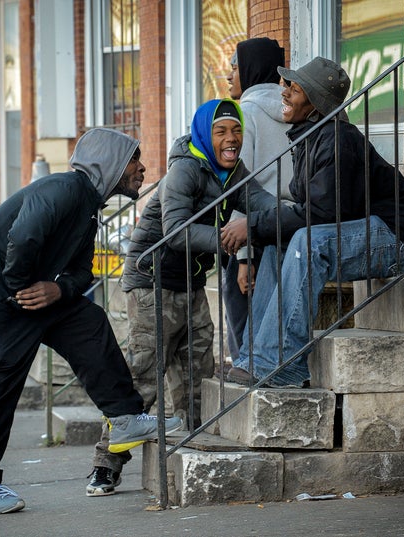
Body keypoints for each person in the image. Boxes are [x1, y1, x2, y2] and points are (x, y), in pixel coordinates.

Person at [0, 128, 182, 515]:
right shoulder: (63, 189)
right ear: (111, 164)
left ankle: (123, 416)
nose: (142, 168)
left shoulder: (88, 208)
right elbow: (22, 238)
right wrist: (23, 289)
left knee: (87, 321)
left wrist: (58, 291)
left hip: (22, 292)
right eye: (134, 160)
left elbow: (82, 271)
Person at [86, 99, 276, 497]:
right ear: (206, 134)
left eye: (236, 130)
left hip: (190, 287)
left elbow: (262, 207)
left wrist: (280, 221)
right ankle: (105, 466)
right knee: (143, 379)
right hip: (151, 285)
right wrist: (232, 241)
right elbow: (176, 232)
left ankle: (190, 450)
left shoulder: (232, 172)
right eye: (222, 131)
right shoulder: (185, 170)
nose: (231, 139)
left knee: (196, 377)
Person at [221, 57, 404, 387]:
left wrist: (251, 224)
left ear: (314, 101)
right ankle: (255, 355)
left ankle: (281, 364)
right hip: (373, 228)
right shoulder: (310, 138)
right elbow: (311, 209)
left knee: (308, 242)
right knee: (279, 241)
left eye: (292, 88)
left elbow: (321, 214)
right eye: (286, 85)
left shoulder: (337, 139)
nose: (283, 92)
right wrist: (258, 228)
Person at [223, 36, 293, 361]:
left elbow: (242, 187)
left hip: (256, 228)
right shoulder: (296, 106)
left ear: (249, 69)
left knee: (237, 297)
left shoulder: (243, 115)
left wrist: (243, 258)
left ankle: (245, 364)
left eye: (234, 67)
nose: (229, 75)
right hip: (292, 219)